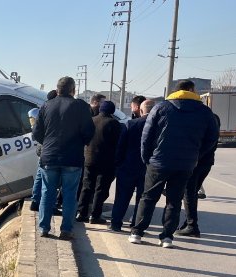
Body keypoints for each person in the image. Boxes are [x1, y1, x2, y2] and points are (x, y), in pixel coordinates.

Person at [129, 80, 219, 248]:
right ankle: (167, 237)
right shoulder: (204, 112)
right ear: (191, 90)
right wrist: (196, 155)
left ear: (175, 91)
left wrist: (147, 158)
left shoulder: (161, 108)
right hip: (185, 164)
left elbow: (146, 137)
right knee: (174, 201)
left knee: (148, 198)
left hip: (158, 162)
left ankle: (137, 233)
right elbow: (212, 138)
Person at [32, 76, 95, 240]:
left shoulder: (46, 105)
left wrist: (48, 142)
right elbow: (89, 132)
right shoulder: (81, 106)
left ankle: (44, 228)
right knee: (69, 194)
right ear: (73, 90)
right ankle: (66, 230)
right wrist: (80, 142)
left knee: (47, 192)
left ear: (57, 89)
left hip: (49, 157)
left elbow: (36, 134)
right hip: (72, 158)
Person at [110, 99, 154, 231]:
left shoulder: (130, 124)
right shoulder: (160, 127)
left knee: (122, 197)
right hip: (148, 169)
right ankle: (136, 224)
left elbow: (120, 147)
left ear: (141, 111)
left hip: (127, 167)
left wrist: (118, 164)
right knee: (142, 200)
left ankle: (116, 223)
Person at [77, 101, 122, 224]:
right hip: (107, 161)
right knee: (101, 188)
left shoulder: (91, 120)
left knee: (86, 186)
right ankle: (95, 215)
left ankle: (81, 213)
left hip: (89, 159)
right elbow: (118, 143)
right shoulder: (114, 123)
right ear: (112, 111)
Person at [179, 113, 221, 237]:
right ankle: (188, 223)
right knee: (192, 193)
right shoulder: (214, 118)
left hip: (196, 162)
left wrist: (195, 157)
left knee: (189, 193)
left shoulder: (199, 118)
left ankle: (192, 226)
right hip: (207, 162)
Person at [29, 90, 58, 212]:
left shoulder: (42, 110)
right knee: (50, 182)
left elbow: (36, 132)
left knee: (40, 176)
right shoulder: (52, 111)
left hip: (42, 148)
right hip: (49, 148)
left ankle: (35, 201)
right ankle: (50, 206)